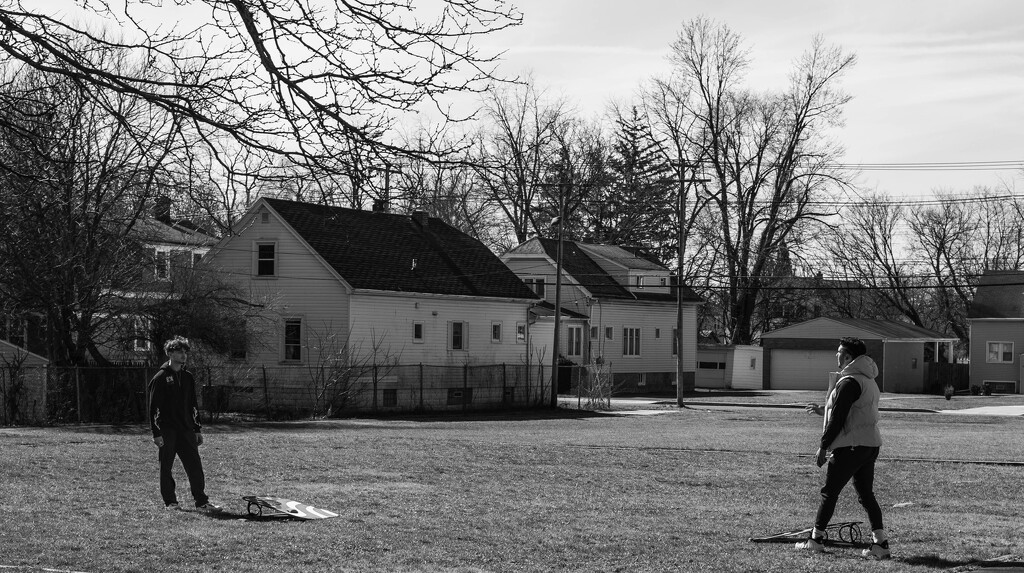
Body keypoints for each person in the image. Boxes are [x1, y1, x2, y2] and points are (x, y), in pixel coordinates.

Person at [795, 337, 890, 559]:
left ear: (848, 356)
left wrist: (823, 447)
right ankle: (881, 543)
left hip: (851, 447)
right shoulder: (868, 379)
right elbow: (853, 411)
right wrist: (823, 410)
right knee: (866, 495)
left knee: (829, 493)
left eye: (839, 352)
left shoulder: (849, 382)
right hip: (869, 444)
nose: (836, 356)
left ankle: (815, 539)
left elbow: (838, 419)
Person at [148, 336, 222, 513]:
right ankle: (171, 503)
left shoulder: (188, 377)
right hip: (167, 430)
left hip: (186, 429)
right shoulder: (160, 377)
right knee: (166, 466)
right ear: (170, 353)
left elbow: (193, 405)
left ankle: (202, 502)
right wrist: (156, 433)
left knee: (195, 466)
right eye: (179, 351)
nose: (183, 355)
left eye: (185, 352)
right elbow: (153, 408)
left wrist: (197, 429)